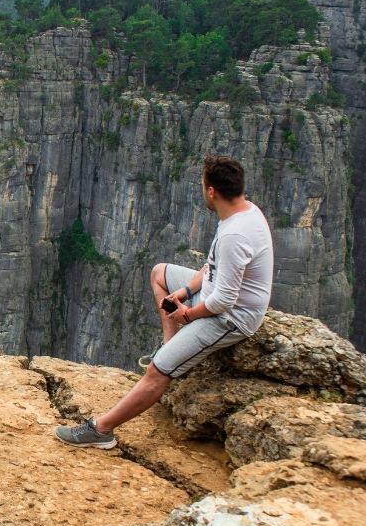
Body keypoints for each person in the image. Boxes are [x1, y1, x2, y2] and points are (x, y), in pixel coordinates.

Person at [55, 154, 273, 449]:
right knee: (160, 273)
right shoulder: (244, 213)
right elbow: (211, 267)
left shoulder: (235, 234)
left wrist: (189, 314)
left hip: (232, 318)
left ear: (211, 191)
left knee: (157, 372)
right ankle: (170, 347)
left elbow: (224, 300)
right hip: (213, 297)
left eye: (202, 184)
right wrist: (184, 291)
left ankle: (101, 430)